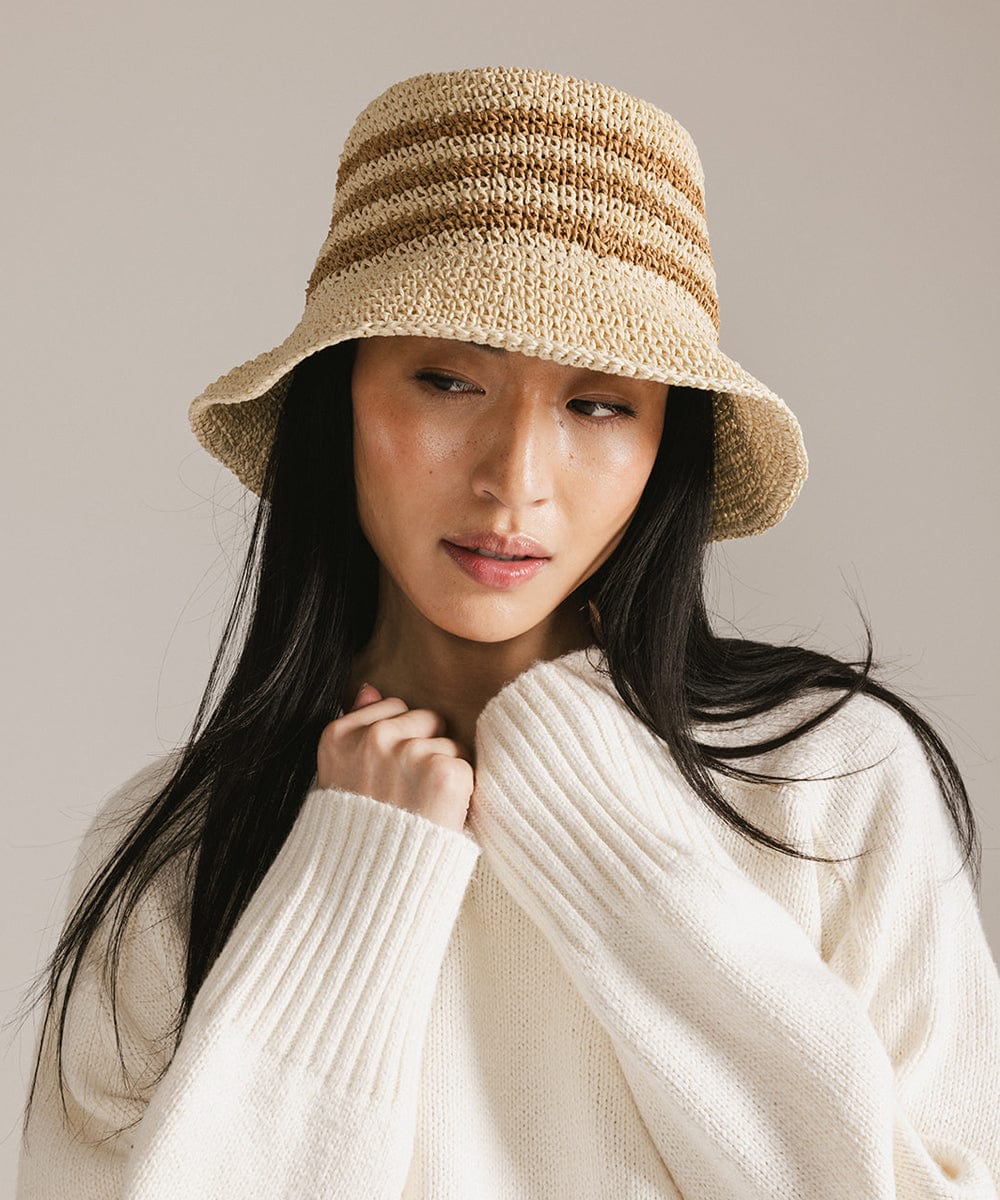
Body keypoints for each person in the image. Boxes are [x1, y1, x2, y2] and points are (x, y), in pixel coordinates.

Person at [14, 65, 1000, 1199]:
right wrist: (354, 883)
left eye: (598, 405)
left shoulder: (828, 776)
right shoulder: (178, 849)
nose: (513, 482)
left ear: (660, 449)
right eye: (445, 380)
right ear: (339, 398)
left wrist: (593, 821)